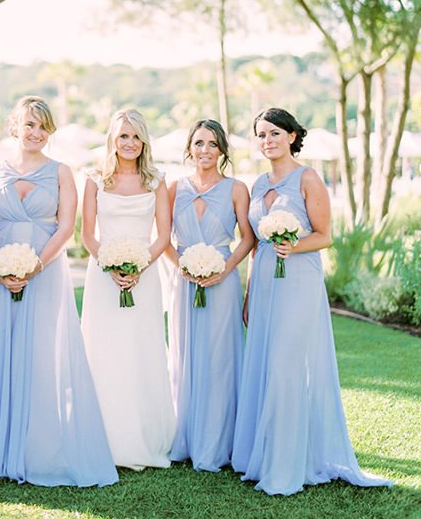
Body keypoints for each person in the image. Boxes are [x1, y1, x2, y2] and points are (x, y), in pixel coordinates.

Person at [232, 107, 393, 495]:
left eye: (274, 133)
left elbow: (325, 235)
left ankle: (289, 467)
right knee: (268, 366)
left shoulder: (308, 178)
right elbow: (255, 247)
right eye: (261, 135)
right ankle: (268, 456)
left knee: (289, 366)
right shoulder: (256, 184)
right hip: (267, 281)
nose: (267, 141)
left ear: (291, 136)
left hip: (299, 281)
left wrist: (293, 245)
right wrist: (250, 294)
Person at [0, 96, 117, 487]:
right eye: (29, 125)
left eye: (43, 126)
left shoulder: (63, 172)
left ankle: (37, 449)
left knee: (41, 355)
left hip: (45, 273)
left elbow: (66, 227)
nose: (36, 133)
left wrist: (33, 266)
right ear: (14, 126)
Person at [81, 108, 176, 470]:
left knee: (141, 349)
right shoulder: (94, 179)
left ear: (144, 141)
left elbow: (163, 235)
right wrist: (110, 265)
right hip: (103, 276)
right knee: (103, 350)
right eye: (124, 136)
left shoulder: (156, 180)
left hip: (146, 274)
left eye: (137, 136)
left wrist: (138, 266)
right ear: (112, 139)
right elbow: (87, 235)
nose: (130, 143)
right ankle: (102, 436)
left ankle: (142, 437)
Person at [165, 119, 254, 471]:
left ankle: (219, 444)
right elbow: (163, 238)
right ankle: (185, 438)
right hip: (184, 282)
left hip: (223, 282)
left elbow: (248, 237)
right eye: (199, 143)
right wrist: (181, 265)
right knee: (184, 356)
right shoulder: (174, 188)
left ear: (222, 151)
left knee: (221, 359)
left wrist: (226, 267)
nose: (205, 150)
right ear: (189, 148)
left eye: (212, 144)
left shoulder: (236, 188)